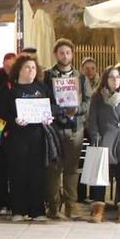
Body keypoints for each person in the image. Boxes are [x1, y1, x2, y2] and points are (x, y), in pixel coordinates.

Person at [0, 55, 52, 219]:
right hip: (17, 138)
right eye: (27, 67)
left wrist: (49, 117)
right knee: (18, 172)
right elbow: (1, 113)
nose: (31, 71)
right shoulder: (9, 89)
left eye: (34, 68)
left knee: (37, 173)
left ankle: (37, 210)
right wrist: (13, 121)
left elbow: (52, 106)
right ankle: (18, 210)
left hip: (37, 137)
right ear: (19, 70)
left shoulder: (41, 88)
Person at [86, 65, 120, 222]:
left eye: (117, 77)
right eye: (112, 77)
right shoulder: (98, 97)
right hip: (104, 141)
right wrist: (96, 137)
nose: (115, 80)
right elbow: (92, 119)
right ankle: (98, 210)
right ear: (105, 80)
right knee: (100, 177)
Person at [43, 40, 87, 219]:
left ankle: (71, 206)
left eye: (68, 52)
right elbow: (44, 100)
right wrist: (59, 110)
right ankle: (53, 206)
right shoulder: (47, 76)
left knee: (71, 169)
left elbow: (88, 101)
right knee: (53, 169)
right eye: (61, 52)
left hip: (75, 129)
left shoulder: (81, 77)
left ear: (72, 54)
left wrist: (77, 110)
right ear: (55, 54)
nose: (65, 56)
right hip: (54, 128)